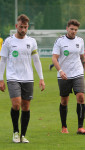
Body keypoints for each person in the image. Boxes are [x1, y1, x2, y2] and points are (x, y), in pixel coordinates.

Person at [0, 14, 45, 143]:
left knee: (26, 106)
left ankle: (23, 135)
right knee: (16, 103)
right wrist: (1, 79)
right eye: (21, 27)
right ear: (16, 26)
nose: (23, 29)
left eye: (25, 27)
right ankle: (15, 132)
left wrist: (41, 78)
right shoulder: (8, 41)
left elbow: (36, 60)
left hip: (28, 78)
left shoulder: (31, 41)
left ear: (27, 27)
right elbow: (2, 61)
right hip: (13, 77)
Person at [52, 19, 85, 135]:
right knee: (64, 101)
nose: (73, 31)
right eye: (72, 29)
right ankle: (64, 126)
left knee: (81, 98)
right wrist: (60, 71)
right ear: (67, 28)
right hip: (64, 75)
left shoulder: (80, 41)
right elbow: (54, 58)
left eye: (76, 30)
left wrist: (82, 69)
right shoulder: (60, 41)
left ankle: (80, 127)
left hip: (78, 73)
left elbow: (82, 56)